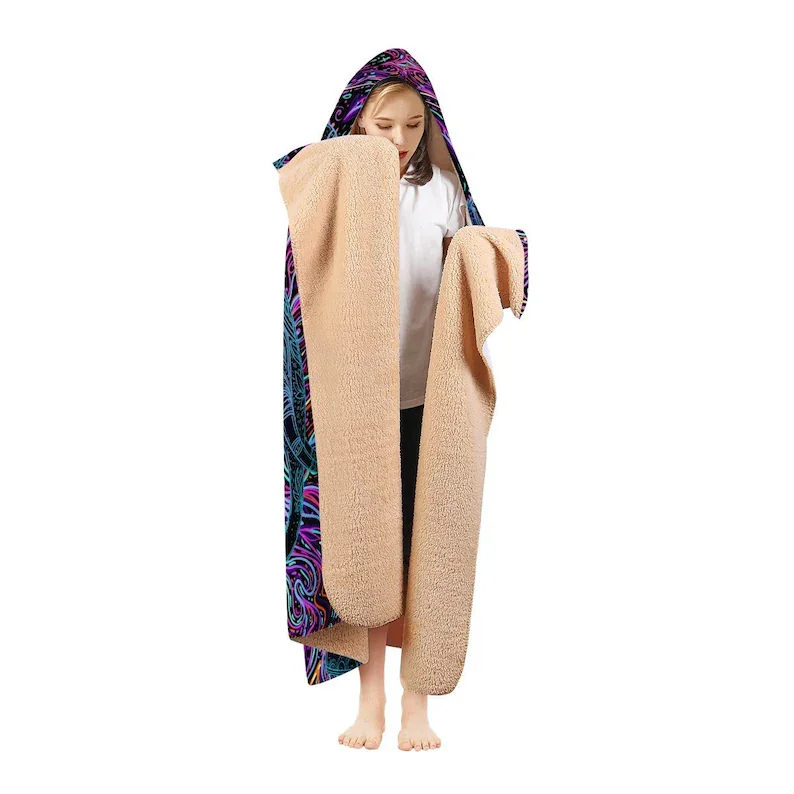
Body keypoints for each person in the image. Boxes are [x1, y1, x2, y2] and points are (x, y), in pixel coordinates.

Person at [337, 77, 467, 752]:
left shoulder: (440, 191)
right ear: (358, 123)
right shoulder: (337, 191)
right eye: (385, 126)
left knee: (426, 549)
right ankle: (371, 701)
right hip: (355, 402)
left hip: (426, 396)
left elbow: (466, 277)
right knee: (368, 554)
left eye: (413, 126)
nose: (399, 140)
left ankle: (418, 705)